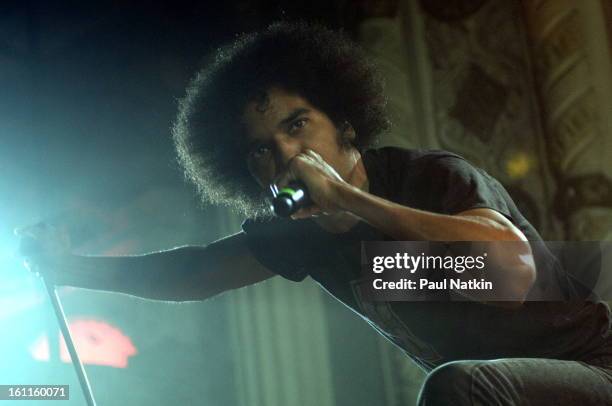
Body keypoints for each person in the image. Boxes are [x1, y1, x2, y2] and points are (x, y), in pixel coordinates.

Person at [17, 22, 612, 405]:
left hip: (590, 370)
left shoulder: (431, 177)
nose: (284, 154)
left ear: (345, 123)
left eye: (297, 125)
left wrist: (350, 200)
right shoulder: (301, 238)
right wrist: (67, 267)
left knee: (460, 388)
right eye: (261, 149)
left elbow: (509, 277)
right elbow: (192, 273)